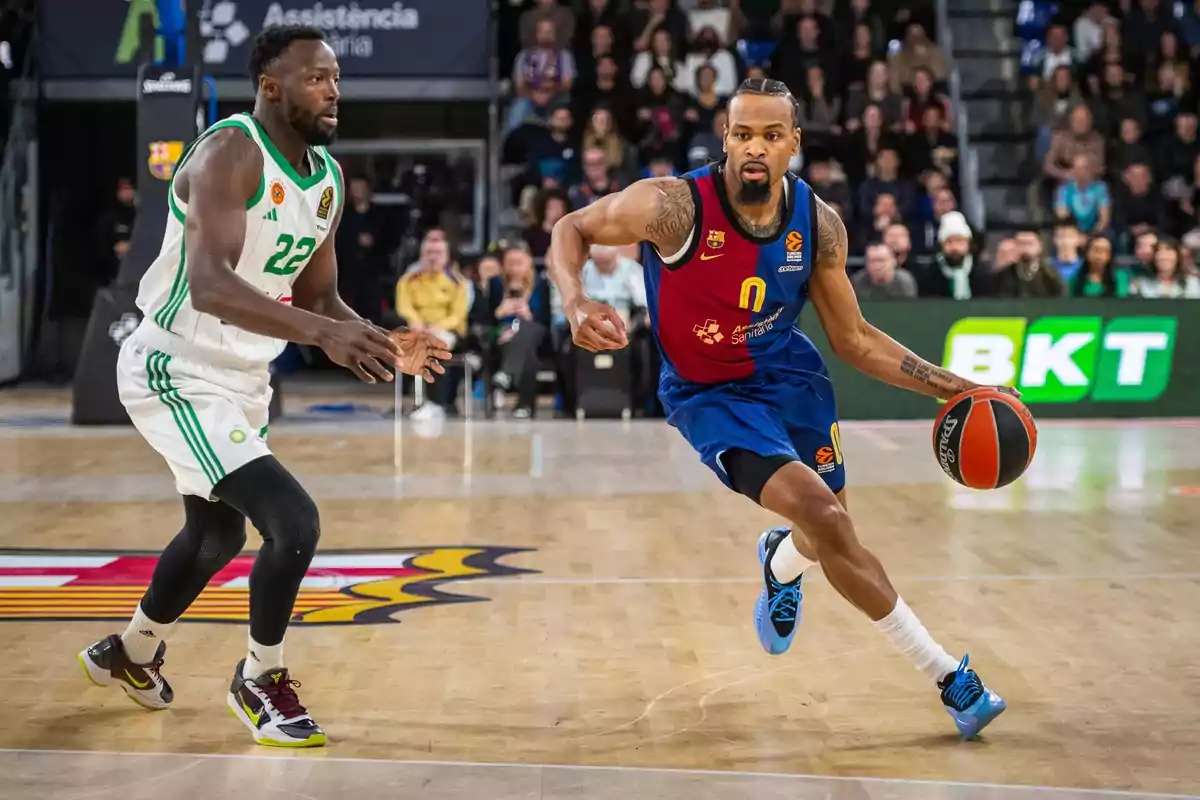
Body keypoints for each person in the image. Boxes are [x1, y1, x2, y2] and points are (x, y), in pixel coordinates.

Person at [547, 78, 1010, 739]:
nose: (753, 148)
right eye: (741, 134)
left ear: (794, 143)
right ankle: (949, 679)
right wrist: (574, 300)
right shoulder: (674, 208)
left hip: (790, 378)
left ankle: (780, 562)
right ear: (725, 140)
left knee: (829, 536)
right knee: (825, 516)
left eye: (770, 135)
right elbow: (572, 228)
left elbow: (855, 340)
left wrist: (963, 390)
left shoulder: (818, 225)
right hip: (709, 395)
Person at [75, 25, 451, 748]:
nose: (333, 90)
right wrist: (323, 336)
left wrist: (380, 337)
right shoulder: (230, 151)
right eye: (316, 77)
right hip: (176, 366)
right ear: (272, 87)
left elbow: (320, 297)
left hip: (242, 375)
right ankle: (260, 677)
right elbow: (211, 285)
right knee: (294, 523)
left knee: (215, 533)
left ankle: (128, 652)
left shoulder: (328, 179)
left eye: (336, 77)